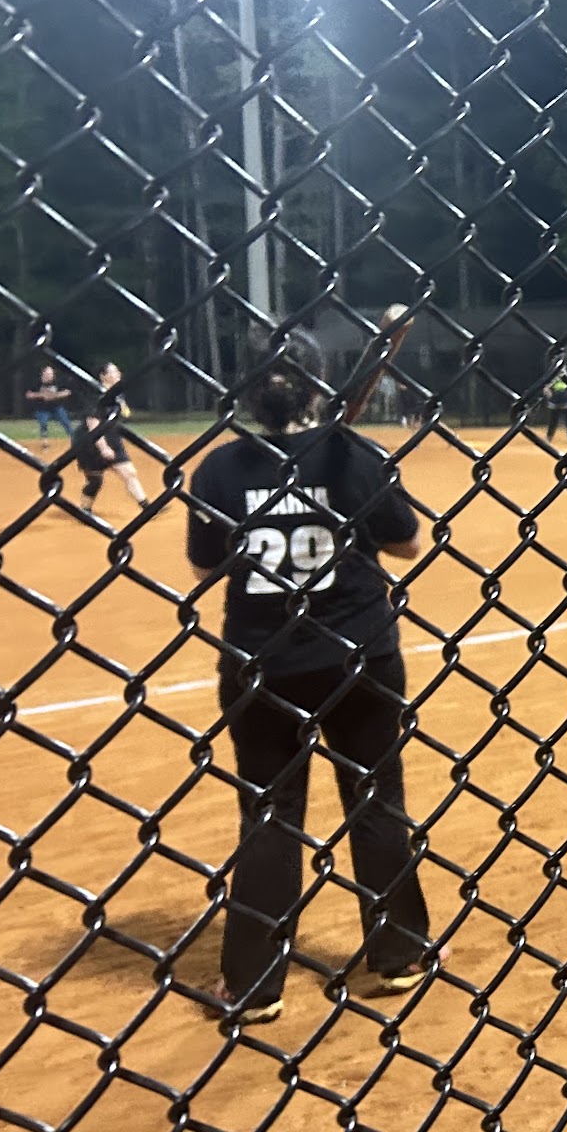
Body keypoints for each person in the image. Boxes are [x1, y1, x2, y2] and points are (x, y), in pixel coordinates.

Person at [186, 329, 441, 1024]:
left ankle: (253, 984)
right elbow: (408, 543)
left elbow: (204, 565)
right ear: (320, 385)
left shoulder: (219, 469)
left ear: (246, 392)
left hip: (261, 665)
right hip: (361, 657)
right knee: (376, 800)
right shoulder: (355, 455)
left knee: (269, 815)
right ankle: (400, 953)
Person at [74, 363, 149, 517]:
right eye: (114, 371)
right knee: (95, 481)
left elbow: (125, 413)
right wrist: (103, 447)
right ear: (103, 376)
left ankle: (147, 507)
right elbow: (92, 423)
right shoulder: (97, 396)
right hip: (90, 442)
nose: (118, 374)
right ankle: (85, 511)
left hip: (113, 439)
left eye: (117, 371)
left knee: (129, 473)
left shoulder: (117, 395)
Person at [26, 366, 72, 443]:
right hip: (42, 409)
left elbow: (67, 392)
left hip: (56, 407)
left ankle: (74, 439)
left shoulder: (58, 382)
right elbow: (28, 395)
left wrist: (55, 395)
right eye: (48, 374)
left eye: (51, 374)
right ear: (43, 374)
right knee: (43, 423)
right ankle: (44, 441)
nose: (50, 376)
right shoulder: (37, 383)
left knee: (66, 422)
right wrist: (41, 395)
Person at [544, 371, 567, 446]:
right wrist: (549, 395)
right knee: (553, 422)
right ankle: (549, 437)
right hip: (554, 404)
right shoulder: (552, 378)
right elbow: (546, 388)